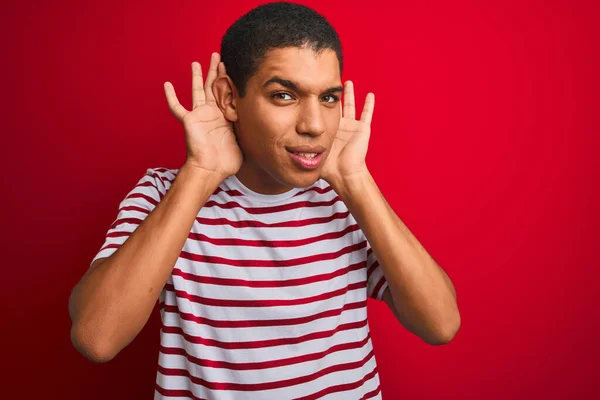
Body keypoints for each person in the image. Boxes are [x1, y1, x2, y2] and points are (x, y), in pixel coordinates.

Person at [69, 2, 460, 398]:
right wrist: (200, 174)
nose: (313, 125)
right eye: (284, 96)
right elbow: (97, 337)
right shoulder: (164, 194)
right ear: (229, 99)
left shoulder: (346, 200)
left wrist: (355, 180)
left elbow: (440, 324)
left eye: (328, 98)